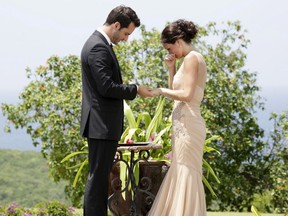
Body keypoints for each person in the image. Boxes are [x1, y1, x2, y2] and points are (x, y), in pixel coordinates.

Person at [80, 5, 152, 216]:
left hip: (100, 124)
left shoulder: (99, 44)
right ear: (116, 24)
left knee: (100, 179)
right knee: (98, 179)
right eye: (126, 33)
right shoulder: (97, 47)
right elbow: (106, 87)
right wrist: (135, 89)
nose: (126, 39)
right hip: (101, 125)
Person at [149, 19, 207, 216]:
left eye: (169, 47)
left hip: (189, 123)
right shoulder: (188, 59)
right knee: (181, 170)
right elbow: (178, 90)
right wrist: (171, 68)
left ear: (179, 40)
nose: (170, 52)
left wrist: (159, 91)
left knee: (186, 171)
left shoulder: (192, 58)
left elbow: (187, 95)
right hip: (184, 123)